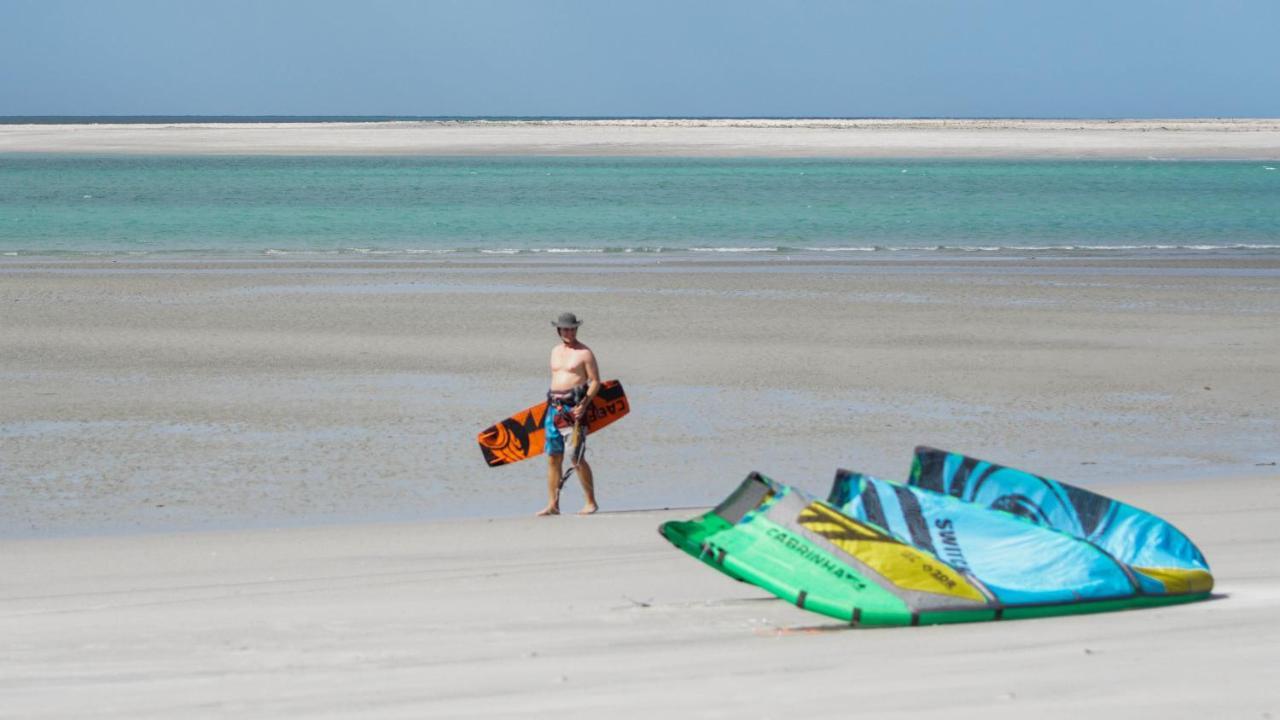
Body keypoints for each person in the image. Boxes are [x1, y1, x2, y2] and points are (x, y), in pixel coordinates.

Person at [537, 312, 600, 516]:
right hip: (553, 408)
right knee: (553, 457)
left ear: (576, 329)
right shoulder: (555, 351)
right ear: (559, 330)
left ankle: (591, 502)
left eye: (572, 329)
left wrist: (584, 403)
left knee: (576, 456)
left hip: (573, 409)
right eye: (565, 329)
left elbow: (595, 382)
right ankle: (553, 504)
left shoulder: (585, 353)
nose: (569, 332)